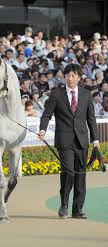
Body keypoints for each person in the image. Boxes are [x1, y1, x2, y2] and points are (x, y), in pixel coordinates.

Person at [39, 64, 99, 219]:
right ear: (64, 77)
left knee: (80, 176)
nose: (70, 78)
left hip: (82, 141)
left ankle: (77, 210)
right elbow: (46, 114)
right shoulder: (56, 94)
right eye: (67, 75)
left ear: (79, 77)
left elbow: (91, 119)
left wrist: (96, 140)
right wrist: (43, 129)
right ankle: (64, 205)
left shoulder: (86, 94)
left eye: (73, 75)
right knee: (68, 173)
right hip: (64, 141)